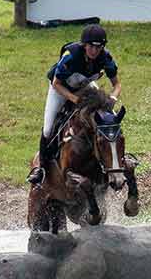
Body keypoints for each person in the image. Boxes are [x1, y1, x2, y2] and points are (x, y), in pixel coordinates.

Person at [26, 24, 122, 185]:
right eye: (91, 46)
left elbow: (117, 85)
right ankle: (41, 169)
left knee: (110, 120)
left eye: (99, 47)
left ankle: (117, 160)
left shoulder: (106, 57)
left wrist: (112, 99)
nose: (95, 51)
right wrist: (74, 99)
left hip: (85, 86)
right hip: (61, 89)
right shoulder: (70, 55)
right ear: (84, 45)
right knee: (49, 129)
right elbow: (57, 83)